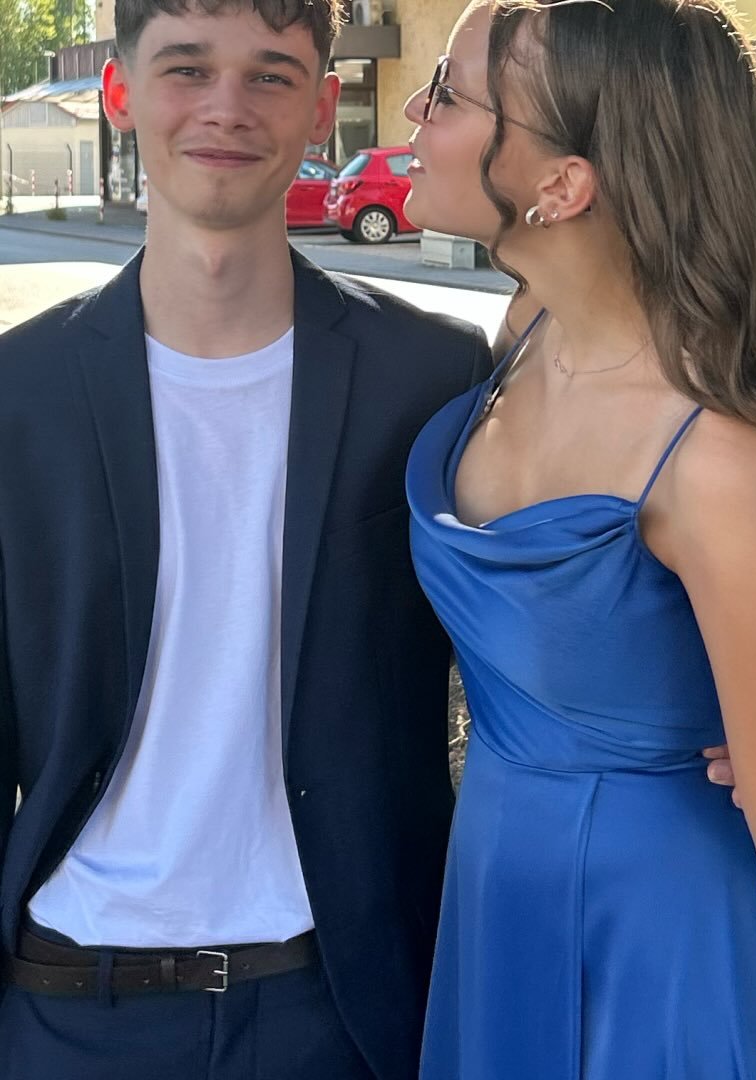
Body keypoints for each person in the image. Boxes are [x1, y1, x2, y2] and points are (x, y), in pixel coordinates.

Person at [0, 1, 495, 1077]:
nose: (227, 107)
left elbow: (552, 598)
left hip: (339, 1007)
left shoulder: (433, 377)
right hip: (71, 1009)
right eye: (187, 68)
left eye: (271, 75)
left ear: (322, 106)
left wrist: (688, 705)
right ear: (119, 92)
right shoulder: (15, 394)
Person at [402, 1, 756, 1077]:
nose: (413, 115)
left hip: (662, 947)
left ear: (562, 184)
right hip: (499, 890)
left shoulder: (718, 457)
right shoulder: (529, 328)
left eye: (447, 94)